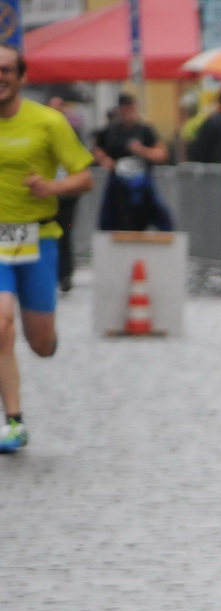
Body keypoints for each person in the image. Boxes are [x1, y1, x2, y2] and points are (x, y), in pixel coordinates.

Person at [0, 45, 93, 454]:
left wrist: (51, 187)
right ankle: (14, 422)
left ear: (21, 77)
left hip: (38, 237)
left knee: (39, 344)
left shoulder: (48, 122)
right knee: (1, 323)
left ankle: (46, 336)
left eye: (6, 70)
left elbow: (84, 178)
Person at [91, 92, 171, 234]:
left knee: (158, 215)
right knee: (112, 218)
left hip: (142, 183)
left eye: (130, 107)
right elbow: (96, 148)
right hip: (118, 183)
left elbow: (161, 154)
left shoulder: (145, 130)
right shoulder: (110, 130)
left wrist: (141, 150)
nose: (127, 111)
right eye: (124, 107)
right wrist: (104, 160)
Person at [45, 94, 83, 292]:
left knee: (65, 233)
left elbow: (81, 165)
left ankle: (65, 275)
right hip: (47, 195)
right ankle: (50, 273)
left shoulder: (71, 132)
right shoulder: (41, 131)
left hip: (67, 195)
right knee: (47, 235)